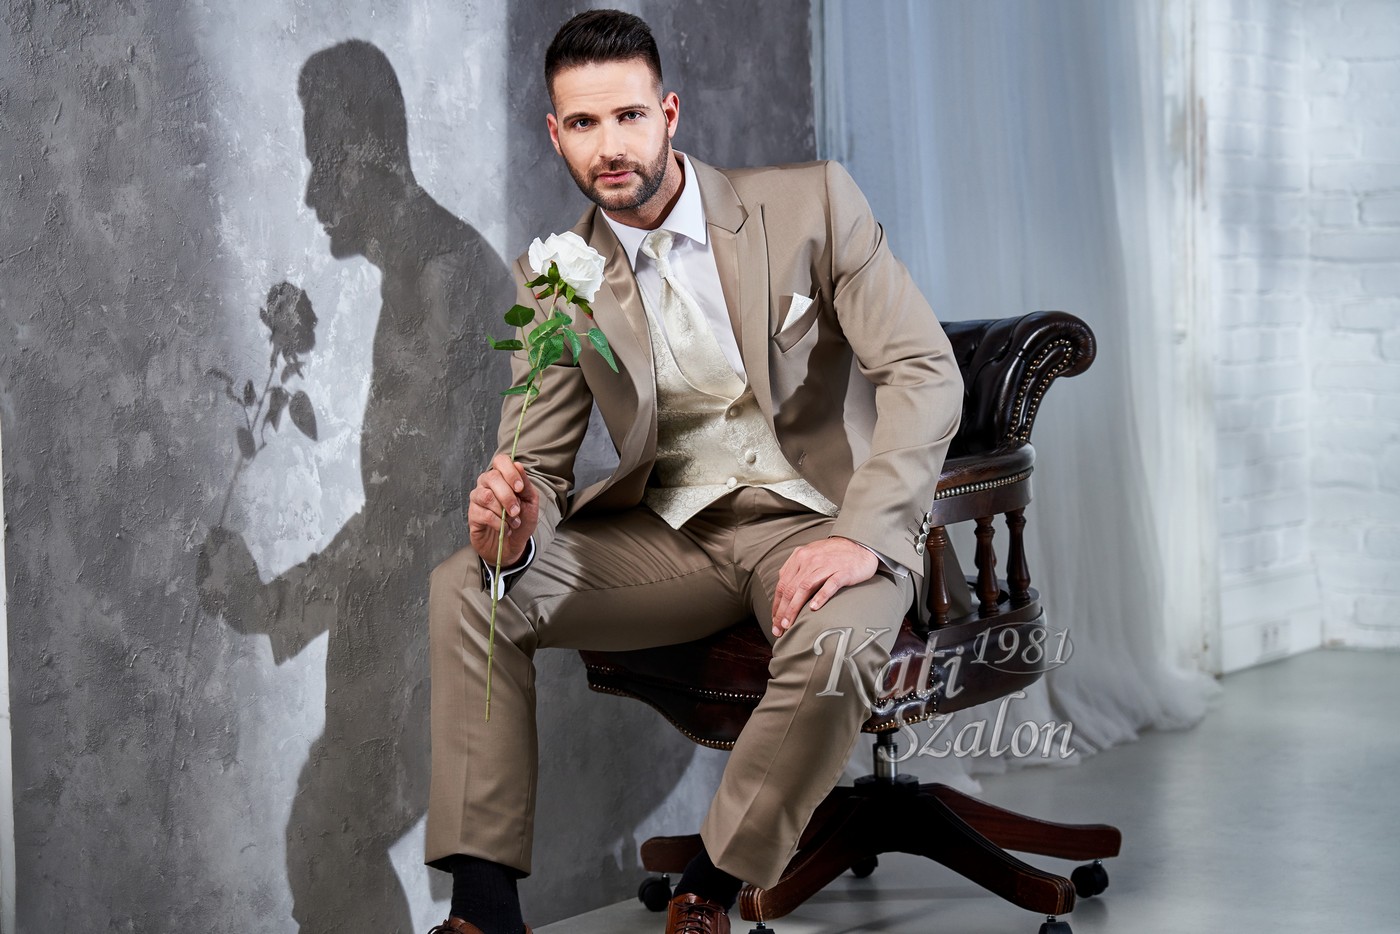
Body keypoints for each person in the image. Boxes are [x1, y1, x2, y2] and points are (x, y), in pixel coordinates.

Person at [425, 10, 964, 934]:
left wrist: (865, 537)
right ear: (555, 134)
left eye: (629, 116)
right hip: (675, 539)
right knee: (471, 587)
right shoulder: (557, 278)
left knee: (838, 642)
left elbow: (924, 370)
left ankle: (708, 890)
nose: (610, 146)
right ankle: (483, 913)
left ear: (669, 113)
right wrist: (515, 531)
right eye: (583, 124)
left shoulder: (812, 203)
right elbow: (540, 465)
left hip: (824, 518)